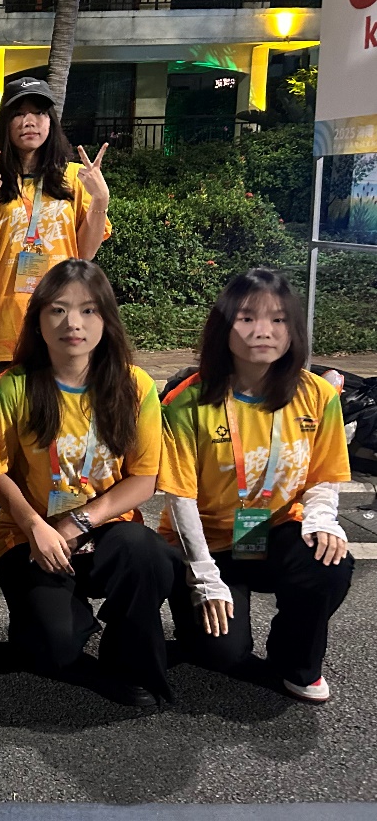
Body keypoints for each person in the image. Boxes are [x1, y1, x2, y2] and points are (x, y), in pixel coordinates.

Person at [159, 268, 354, 703]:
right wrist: (205, 576)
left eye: (278, 319)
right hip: (209, 542)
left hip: (277, 528)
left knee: (329, 561)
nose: (262, 331)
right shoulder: (187, 400)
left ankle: (296, 662)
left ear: (293, 329)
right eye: (247, 318)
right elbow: (180, 498)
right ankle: (201, 619)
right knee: (220, 653)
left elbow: (324, 475)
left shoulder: (317, 395)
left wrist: (322, 519)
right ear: (224, 326)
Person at [0, 259, 176, 706]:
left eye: (88, 310)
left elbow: (144, 479)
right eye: (57, 310)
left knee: (147, 553)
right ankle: (62, 625)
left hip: (106, 532)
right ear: (37, 319)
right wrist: (36, 527)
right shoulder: (11, 387)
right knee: (51, 647)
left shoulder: (134, 386)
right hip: (31, 537)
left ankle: (126, 649)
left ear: (106, 319)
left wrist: (77, 523)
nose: (72, 323)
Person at [0, 77, 112, 382]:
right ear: (6, 125)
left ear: (51, 121)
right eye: (18, 114)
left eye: (39, 112)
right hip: (3, 326)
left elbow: (85, 254)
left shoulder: (76, 178)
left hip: (64, 321)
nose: (29, 121)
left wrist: (100, 200)